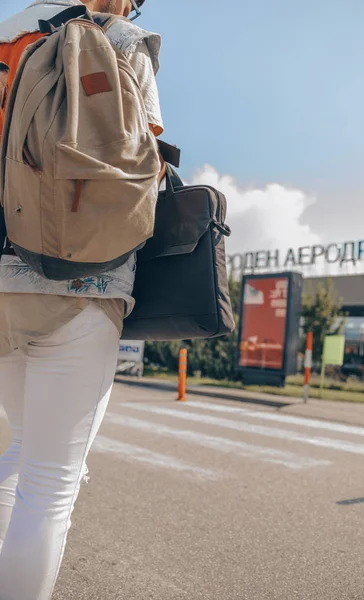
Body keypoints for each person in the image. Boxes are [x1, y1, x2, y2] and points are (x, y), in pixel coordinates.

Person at [0, 1, 164, 598]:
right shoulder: (123, 38)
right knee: (49, 485)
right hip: (83, 284)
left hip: (1, 280)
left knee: (19, 455)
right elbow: (141, 166)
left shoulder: (8, 34)